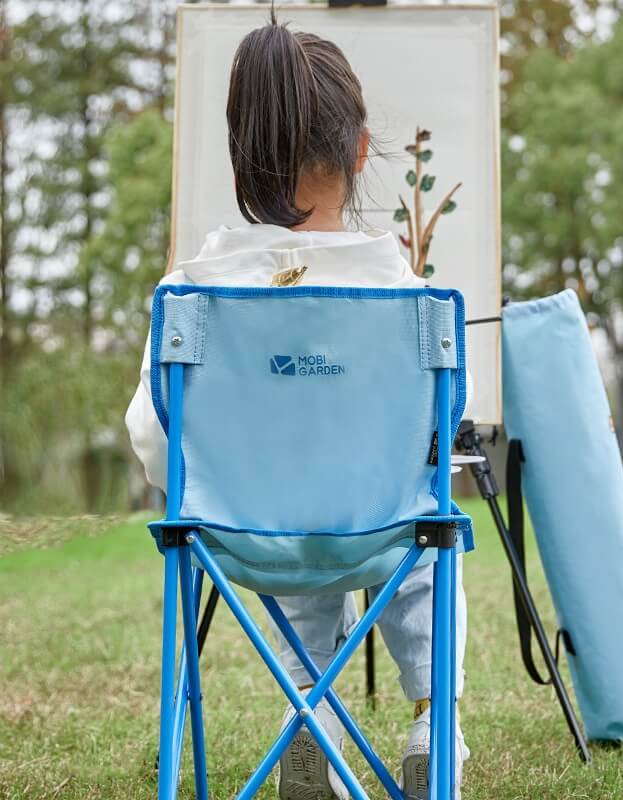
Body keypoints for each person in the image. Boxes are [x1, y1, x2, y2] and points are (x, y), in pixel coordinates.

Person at [125, 17, 468, 800]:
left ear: (245, 159)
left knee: (301, 550)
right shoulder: (413, 301)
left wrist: (226, 481)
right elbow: (440, 427)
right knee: (420, 522)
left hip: (239, 535)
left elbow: (153, 438)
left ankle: (311, 723)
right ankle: (430, 721)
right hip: (378, 533)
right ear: (358, 151)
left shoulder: (190, 296)